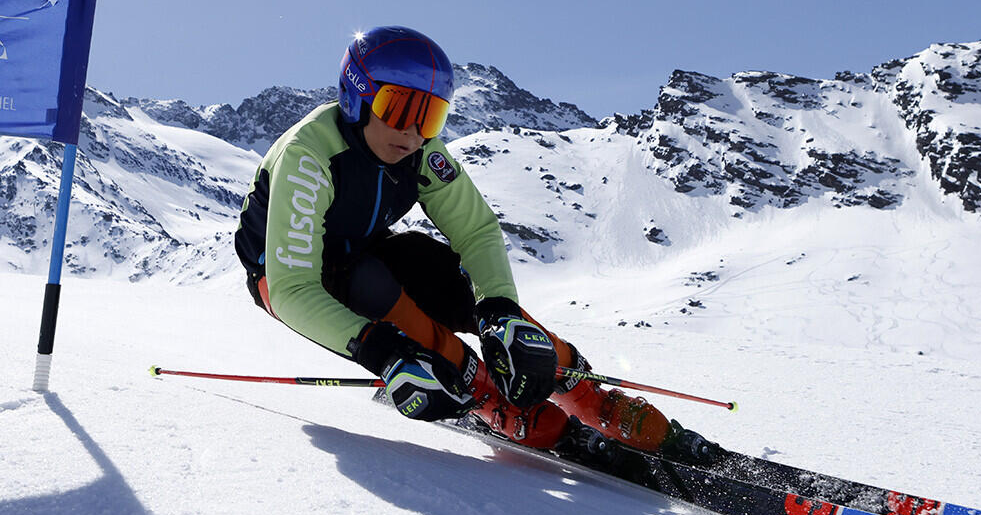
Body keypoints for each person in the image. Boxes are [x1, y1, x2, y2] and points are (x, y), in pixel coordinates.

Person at [234, 25, 676, 453]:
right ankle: (491, 401)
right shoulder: (309, 157)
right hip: (279, 274)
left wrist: (499, 311)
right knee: (372, 288)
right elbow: (292, 289)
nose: (413, 132)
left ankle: (582, 390)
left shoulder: (422, 150)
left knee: (454, 284)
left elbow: (476, 229)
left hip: (364, 245)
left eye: (430, 116)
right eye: (400, 110)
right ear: (356, 97)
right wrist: (384, 353)